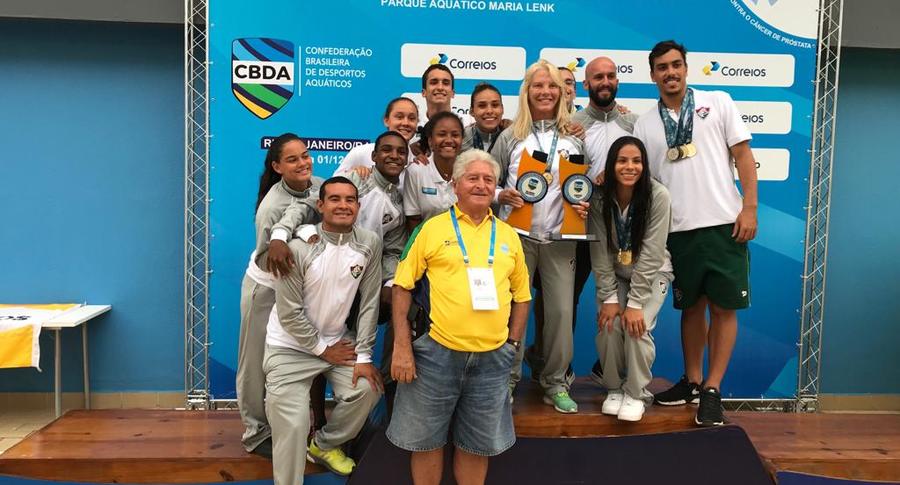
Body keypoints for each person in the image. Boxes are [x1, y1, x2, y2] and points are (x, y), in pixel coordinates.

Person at [633, 40, 758, 426]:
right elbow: (644, 181)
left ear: (686, 68)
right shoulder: (645, 123)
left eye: (676, 65)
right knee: (690, 308)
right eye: (662, 68)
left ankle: (712, 389)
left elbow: (743, 156)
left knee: (722, 308)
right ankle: (692, 380)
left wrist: (750, 208)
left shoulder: (718, 102)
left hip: (723, 224)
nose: (670, 73)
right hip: (677, 230)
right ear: (652, 75)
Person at [387, 149, 531, 485]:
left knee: (477, 446)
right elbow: (402, 287)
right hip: (436, 355)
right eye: (472, 178)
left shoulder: (508, 235)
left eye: (488, 180)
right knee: (425, 442)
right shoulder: (431, 229)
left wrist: (511, 345)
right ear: (455, 185)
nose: (481, 185)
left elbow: (522, 297)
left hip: (492, 360)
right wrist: (402, 347)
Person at [264, 177, 383, 485]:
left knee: (367, 389)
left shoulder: (369, 242)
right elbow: (289, 314)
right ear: (320, 205)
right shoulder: (297, 248)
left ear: (358, 206)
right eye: (334, 199)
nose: (343, 205)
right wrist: (322, 349)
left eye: (350, 200)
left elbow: (370, 302)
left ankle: (323, 445)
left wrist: (364, 356)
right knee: (292, 426)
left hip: (336, 341)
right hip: (289, 347)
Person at [493, 59, 590, 414]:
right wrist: (501, 195)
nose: (545, 92)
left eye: (552, 86)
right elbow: (490, 181)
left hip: (560, 240)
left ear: (562, 92)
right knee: (511, 311)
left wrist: (585, 204)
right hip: (516, 239)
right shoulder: (511, 136)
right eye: (538, 85)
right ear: (527, 91)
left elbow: (585, 185)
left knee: (561, 313)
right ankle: (506, 380)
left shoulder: (575, 137)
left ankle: (555, 382)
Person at [236, 133, 323, 459]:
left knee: (297, 361)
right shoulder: (271, 207)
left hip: (298, 294)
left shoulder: (319, 185)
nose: (303, 163)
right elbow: (265, 259)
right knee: (254, 364)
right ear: (277, 167)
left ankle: (306, 425)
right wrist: (298, 238)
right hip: (265, 292)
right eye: (292, 159)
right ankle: (256, 432)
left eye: (305, 155)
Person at [589, 136, 673, 422]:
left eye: (636, 161)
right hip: (616, 274)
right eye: (622, 160)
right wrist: (609, 297)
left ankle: (636, 393)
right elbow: (600, 250)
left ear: (645, 165)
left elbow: (652, 252)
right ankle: (614, 387)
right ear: (611, 164)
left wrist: (635, 303)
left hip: (652, 274)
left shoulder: (658, 195)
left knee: (637, 326)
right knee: (610, 324)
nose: (629, 167)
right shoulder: (600, 197)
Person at [403, 111, 464, 230]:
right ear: (430, 141)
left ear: (462, 140)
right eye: (442, 134)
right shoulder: (416, 171)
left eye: (455, 135)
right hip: (426, 239)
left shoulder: (469, 170)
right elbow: (413, 219)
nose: (449, 140)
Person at [335, 97, 419, 174]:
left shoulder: (418, 162)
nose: (405, 123)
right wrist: (352, 175)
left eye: (412, 118)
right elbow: (334, 182)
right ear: (386, 121)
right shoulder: (360, 153)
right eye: (399, 117)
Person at [461, 82, 505, 156]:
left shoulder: (511, 138)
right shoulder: (461, 139)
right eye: (482, 106)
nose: (489, 111)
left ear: (502, 109)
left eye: (495, 105)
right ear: (472, 111)